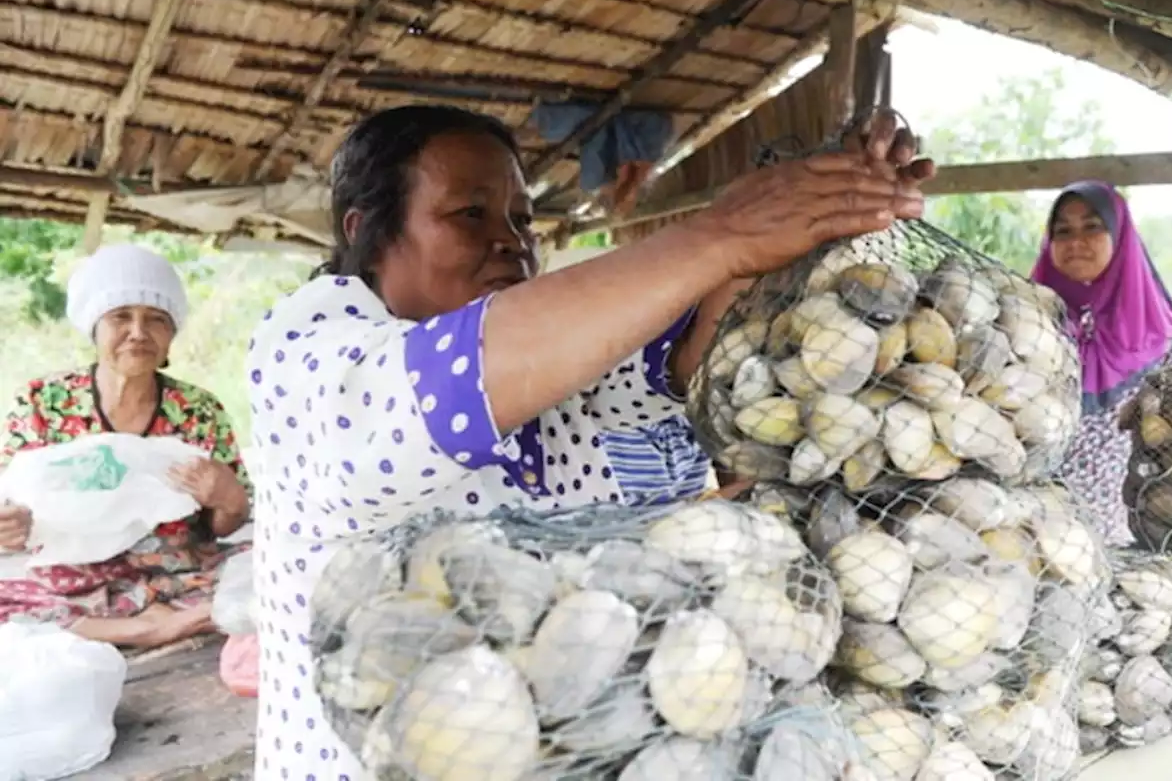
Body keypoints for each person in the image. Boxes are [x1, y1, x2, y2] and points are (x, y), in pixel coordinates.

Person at [246, 103, 932, 778]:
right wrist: (722, 232)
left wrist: (832, 192)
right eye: (470, 213)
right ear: (367, 231)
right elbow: (452, 378)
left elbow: (697, 347)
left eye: (522, 217)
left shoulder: (560, 362)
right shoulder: (312, 345)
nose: (512, 239)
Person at [0, 244, 253, 648]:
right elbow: (10, 509)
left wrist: (229, 499)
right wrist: (11, 526)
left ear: (171, 334)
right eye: (121, 316)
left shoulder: (199, 410)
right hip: (75, 574)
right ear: (94, 327)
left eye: (156, 319)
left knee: (271, 567)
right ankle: (149, 628)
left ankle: (153, 619)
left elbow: (223, 525)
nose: (138, 332)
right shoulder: (41, 401)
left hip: (175, 569)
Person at [1031, 180, 1172, 545]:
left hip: (1118, 533)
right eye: (1063, 231)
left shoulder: (1155, 328)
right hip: (1033, 525)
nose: (1076, 242)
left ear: (1119, 235)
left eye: (1093, 226)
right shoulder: (1028, 317)